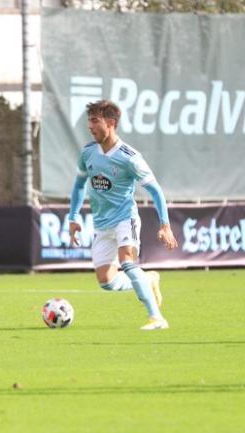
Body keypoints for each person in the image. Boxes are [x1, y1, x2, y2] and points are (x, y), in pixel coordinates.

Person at [68, 99, 178, 330]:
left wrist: (165, 225)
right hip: (101, 223)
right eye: (89, 120)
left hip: (124, 218)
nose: (90, 126)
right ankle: (148, 280)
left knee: (128, 263)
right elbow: (79, 185)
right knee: (106, 282)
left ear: (111, 123)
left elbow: (155, 189)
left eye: (95, 120)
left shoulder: (129, 157)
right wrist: (73, 217)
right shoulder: (88, 153)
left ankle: (156, 317)